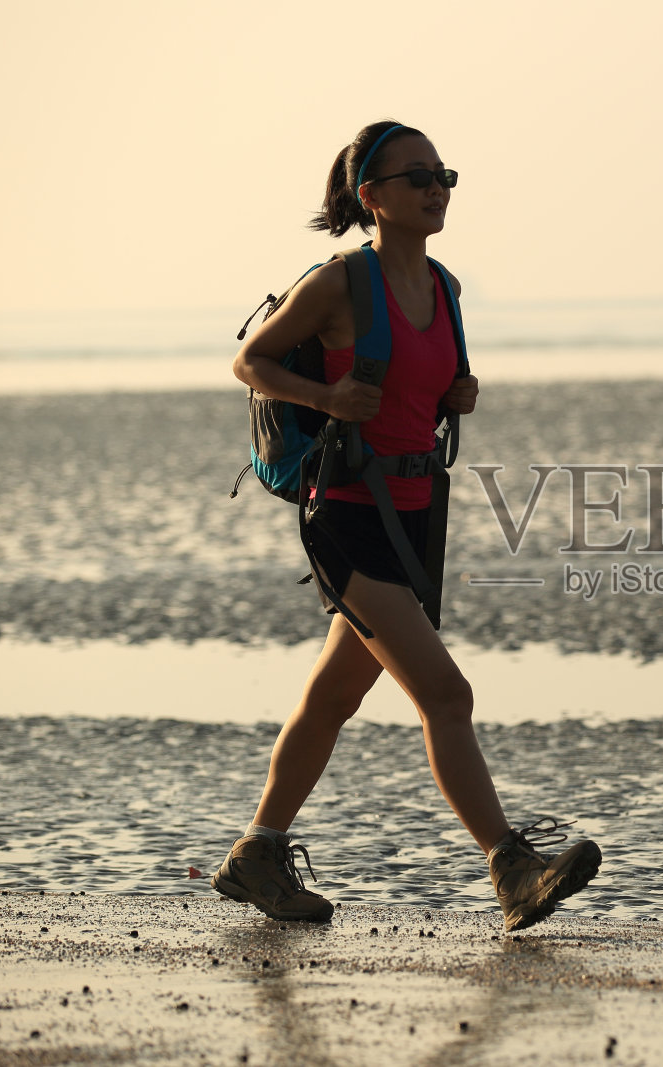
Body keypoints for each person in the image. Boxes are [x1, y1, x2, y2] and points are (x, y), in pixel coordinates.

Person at [213, 120, 600, 932]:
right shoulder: (339, 284)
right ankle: (511, 868)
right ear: (371, 197)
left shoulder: (446, 286)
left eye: (445, 175)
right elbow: (251, 360)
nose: (437, 188)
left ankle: (258, 852)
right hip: (347, 518)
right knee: (446, 692)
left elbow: (427, 390)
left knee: (332, 698)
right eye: (418, 176)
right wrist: (324, 399)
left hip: (419, 517)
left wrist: (454, 396)